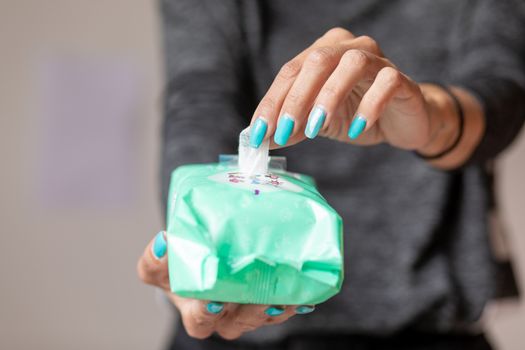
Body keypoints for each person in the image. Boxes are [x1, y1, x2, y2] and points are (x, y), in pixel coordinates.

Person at [137, 1, 525, 349]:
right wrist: (193, 238)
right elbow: (200, 95)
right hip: (230, 328)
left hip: (430, 321)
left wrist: (431, 117)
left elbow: (501, 88)